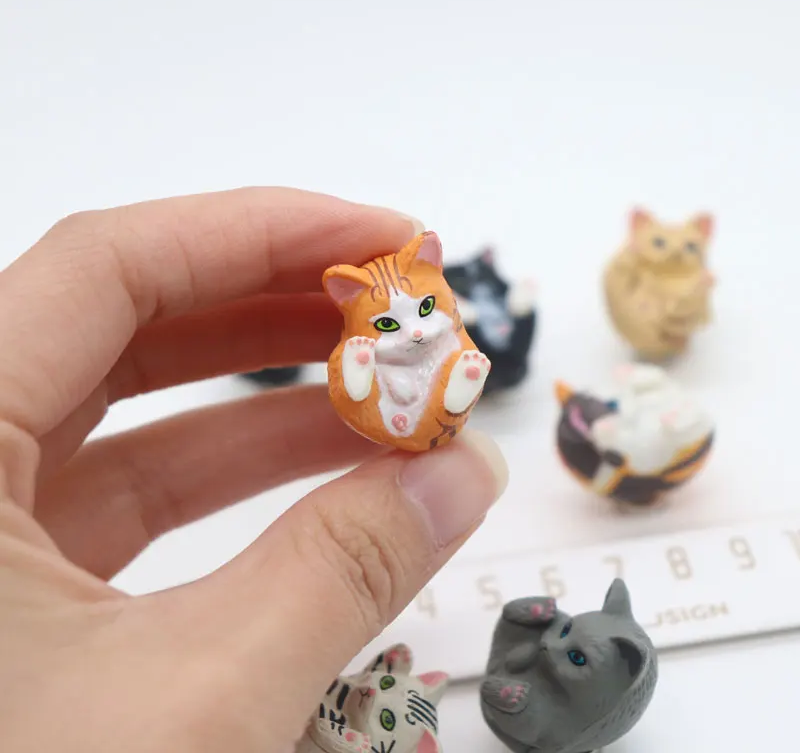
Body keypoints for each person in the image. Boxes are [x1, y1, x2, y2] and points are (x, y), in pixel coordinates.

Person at [0, 187, 508, 751]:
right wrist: (365, 368)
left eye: (425, 310)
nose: (414, 332)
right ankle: (381, 379)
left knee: (444, 369)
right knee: (355, 378)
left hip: (428, 394)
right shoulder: (360, 343)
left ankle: (452, 388)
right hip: (392, 400)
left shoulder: (446, 337)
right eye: (388, 324)